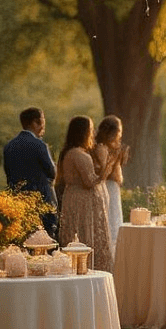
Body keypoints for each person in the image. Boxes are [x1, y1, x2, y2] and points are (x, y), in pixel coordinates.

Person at [55, 115, 114, 272]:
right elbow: (89, 181)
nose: (93, 132)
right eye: (90, 129)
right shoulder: (77, 154)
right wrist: (104, 172)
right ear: (83, 132)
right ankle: (85, 268)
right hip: (81, 200)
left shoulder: (71, 152)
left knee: (78, 232)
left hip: (75, 197)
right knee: (82, 233)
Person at [2, 107, 59, 239]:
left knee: (22, 240)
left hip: (17, 203)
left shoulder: (9, 146)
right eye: (42, 122)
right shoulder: (39, 145)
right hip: (42, 201)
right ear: (34, 123)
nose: (43, 126)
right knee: (46, 241)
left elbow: (8, 173)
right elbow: (52, 172)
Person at [93, 115, 130, 255]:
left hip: (113, 188)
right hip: (107, 187)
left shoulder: (114, 148)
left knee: (115, 223)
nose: (121, 135)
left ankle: (115, 256)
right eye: (119, 131)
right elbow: (104, 172)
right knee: (110, 223)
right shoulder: (101, 148)